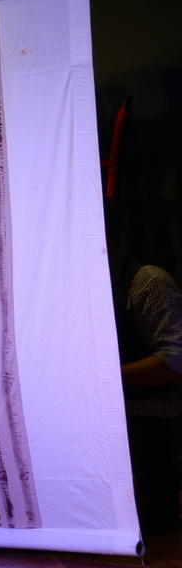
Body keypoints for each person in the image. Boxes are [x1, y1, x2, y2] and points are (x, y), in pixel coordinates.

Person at [106, 202, 182, 536]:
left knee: (136, 525)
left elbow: (175, 359)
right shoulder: (78, 283)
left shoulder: (147, 280)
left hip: (143, 422)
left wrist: (105, 377)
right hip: (98, 422)